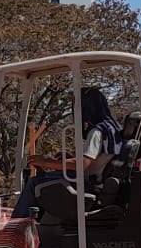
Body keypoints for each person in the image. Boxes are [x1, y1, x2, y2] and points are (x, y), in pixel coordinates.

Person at [17, 87, 124, 216]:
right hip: (93, 181)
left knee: (34, 182)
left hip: (85, 184)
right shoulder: (112, 127)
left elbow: (83, 163)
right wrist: (67, 159)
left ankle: (15, 230)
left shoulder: (97, 132)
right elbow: (96, 159)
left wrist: (46, 162)